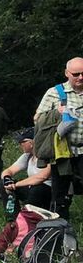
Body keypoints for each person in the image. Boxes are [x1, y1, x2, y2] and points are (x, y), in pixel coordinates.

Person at [33, 57, 83, 218]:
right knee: (61, 192)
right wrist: (57, 113)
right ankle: (59, 224)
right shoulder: (55, 93)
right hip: (63, 152)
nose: (80, 77)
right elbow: (37, 119)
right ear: (67, 73)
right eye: (76, 74)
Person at [1, 128, 52, 211]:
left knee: (37, 189)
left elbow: (41, 177)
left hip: (46, 192)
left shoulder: (48, 156)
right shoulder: (27, 156)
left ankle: (29, 215)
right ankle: (13, 216)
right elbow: (9, 170)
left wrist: (16, 184)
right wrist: (7, 180)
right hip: (31, 189)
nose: (20, 145)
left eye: (22, 142)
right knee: (3, 184)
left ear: (31, 143)